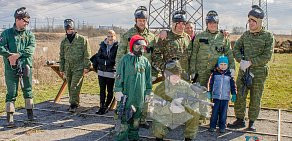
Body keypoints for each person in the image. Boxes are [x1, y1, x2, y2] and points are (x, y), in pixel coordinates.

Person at [228, 5, 274, 131]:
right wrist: (240, 60)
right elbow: (236, 48)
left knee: (255, 97)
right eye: (249, 20)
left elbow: (267, 56)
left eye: (254, 21)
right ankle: (239, 119)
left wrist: (251, 62)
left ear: (259, 22)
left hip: (258, 73)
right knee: (240, 96)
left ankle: (252, 122)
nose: (251, 23)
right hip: (244, 71)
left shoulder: (268, 36)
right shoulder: (245, 35)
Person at [115, 5, 155, 128]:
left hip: (144, 71)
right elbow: (120, 54)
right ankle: (120, 119)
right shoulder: (127, 35)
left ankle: (141, 120)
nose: (142, 23)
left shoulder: (151, 37)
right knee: (125, 97)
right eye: (139, 20)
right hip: (129, 72)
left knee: (143, 96)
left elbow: (154, 54)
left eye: (144, 20)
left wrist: (153, 73)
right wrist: (118, 74)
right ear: (135, 20)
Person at [152, 60, 207, 141]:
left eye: (177, 75)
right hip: (167, 113)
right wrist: (169, 107)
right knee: (158, 124)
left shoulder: (186, 86)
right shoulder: (160, 88)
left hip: (182, 113)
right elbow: (156, 108)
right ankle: (159, 137)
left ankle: (189, 137)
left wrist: (185, 105)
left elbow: (194, 103)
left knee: (195, 112)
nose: (175, 78)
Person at [0, 7, 36, 127]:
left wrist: (18, 55)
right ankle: (10, 117)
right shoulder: (6, 33)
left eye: (27, 22)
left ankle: (30, 115)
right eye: (25, 21)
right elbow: (1, 47)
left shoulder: (29, 34)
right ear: (18, 19)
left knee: (28, 90)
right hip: (11, 68)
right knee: (11, 92)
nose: (27, 24)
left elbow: (31, 48)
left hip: (26, 66)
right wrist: (9, 55)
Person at [114, 35, 152, 141]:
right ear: (132, 46)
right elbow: (119, 75)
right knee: (124, 119)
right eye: (137, 47)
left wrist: (148, 91)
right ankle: (120, 138)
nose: (140, 50)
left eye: (142, 47)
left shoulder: (145, 61)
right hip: (127, 94)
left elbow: (148, 78)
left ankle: (134, 137)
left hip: (139, 96)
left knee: (136, 118)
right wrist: (117, 90)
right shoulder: (125, 59)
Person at [59, 19, 91, 113]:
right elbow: (61, 56)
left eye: (71, 29)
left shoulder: (82, 39)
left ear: (74, 28)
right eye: (67, 29)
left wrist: (87, 67)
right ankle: (73, 103)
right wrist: (62, 68)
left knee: (74, 86)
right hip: (68, 67)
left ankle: (73, 104)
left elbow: (87, 54)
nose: (69, 30)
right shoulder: (64, 41)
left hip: (79, 67)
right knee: (69, 85)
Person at [152, 10, 191, 81]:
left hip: (185, 76)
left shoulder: (187, 37)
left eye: (183, 23)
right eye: (178, 23)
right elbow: (156, 55)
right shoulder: (165, 37)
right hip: (170, 77)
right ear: (173, 24)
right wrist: (164, 67)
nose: (181, 26)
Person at [90, 30, 118, 115]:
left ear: (115, 36)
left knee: (110, 90)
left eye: (112, 36)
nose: (110, 38)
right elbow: (98, 57)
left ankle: (106, 106)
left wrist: (106, 62)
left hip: (111, 72)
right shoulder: (102, 45)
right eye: (108, 36)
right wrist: (105, 62)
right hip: (101, 71)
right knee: (102, 90)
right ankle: (101, 107)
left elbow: (115, 59)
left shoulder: (117, 46)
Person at [207, 55, 236, 133]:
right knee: (214, 113)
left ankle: (222, 126)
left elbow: (233, 85)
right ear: (218, 65)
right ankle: (212, 126)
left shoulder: (229, 75)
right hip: (216, 97)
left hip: (225, 98)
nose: (223, 66)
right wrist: (209, 92)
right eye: (221, 64)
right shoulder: (214, 74)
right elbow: (210, 83)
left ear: (227, 65)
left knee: (223, 113)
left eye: (225, 64)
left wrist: (234, 94)